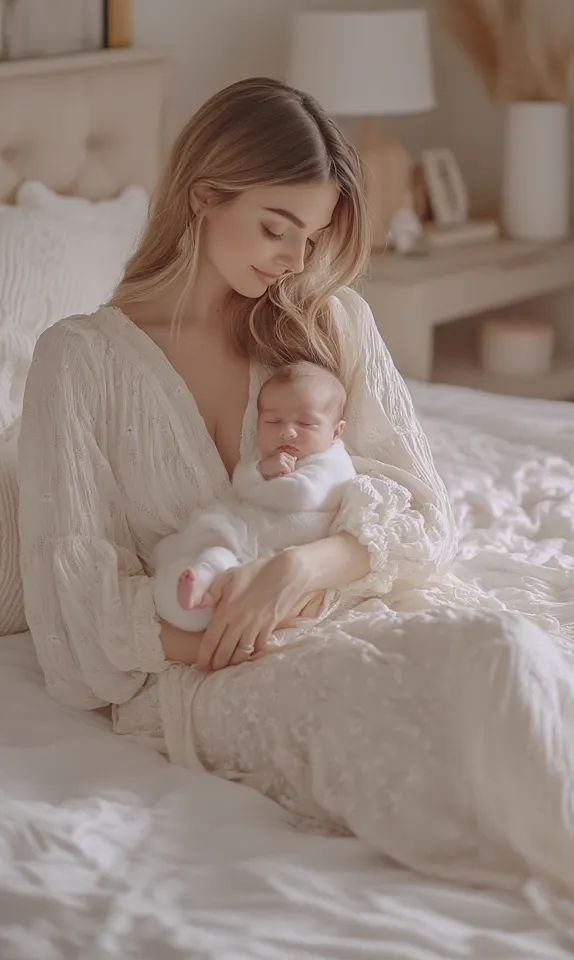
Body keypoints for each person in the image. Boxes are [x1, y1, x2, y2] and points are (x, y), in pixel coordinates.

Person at [18, 78, 574, 902]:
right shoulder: (80, 361)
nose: (294, 259)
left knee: (515, 657)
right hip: (218, 675)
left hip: (359, 599)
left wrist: (302, 569)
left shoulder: (329, 322)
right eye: (277, 228)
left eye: (312, 236)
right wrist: (227, 628)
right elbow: (74, 615)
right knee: (475, 690)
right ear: (204, 196)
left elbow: (423, 513)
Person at [152, 360, 356, 633]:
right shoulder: (267, 458)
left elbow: (300, 494)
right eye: (272, 421)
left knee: (234, 570)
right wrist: (261, 470)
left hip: (280, 549)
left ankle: (206, 594)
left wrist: (262, 482)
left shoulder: (332, 462)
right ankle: (195, 584)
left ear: (336, 431)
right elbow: (241, 482)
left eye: (305, 423)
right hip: (251, 538)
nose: (287, 431)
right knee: (211, 554)